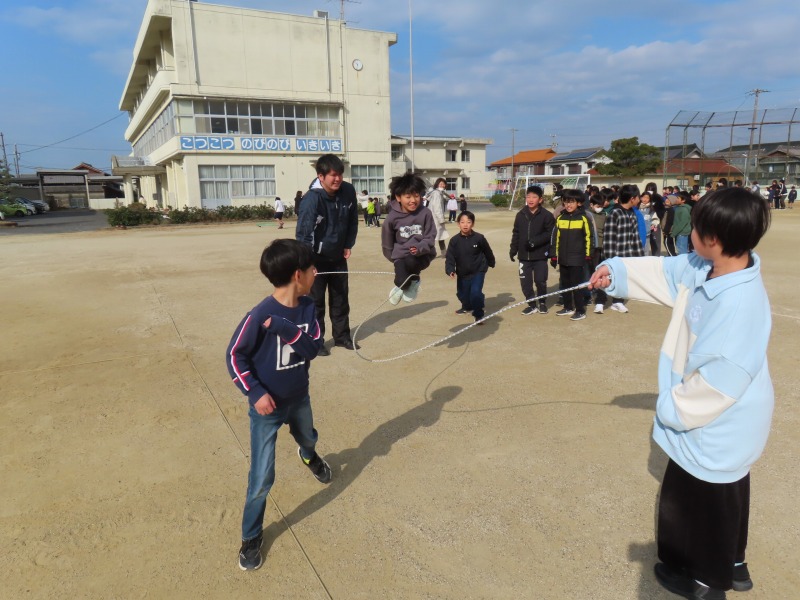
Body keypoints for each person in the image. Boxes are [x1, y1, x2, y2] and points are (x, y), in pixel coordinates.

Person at [589, 187, 773, 599]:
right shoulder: (710, 267)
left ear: (714, 239)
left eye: (696, 229)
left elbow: (718, 384)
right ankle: (733, 563)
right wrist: (616, 272)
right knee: (721, 494)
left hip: (719, 419)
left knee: (707, 502)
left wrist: (671, 408)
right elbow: (667, 272)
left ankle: (708, 582)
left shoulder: (739, 306)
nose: (689, 234)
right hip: (716, 417)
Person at [226, 239, 331, 572]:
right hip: (267, 410)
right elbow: (234, 356)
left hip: (299, 397)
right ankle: (251, 537)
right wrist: (255, 392)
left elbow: (313, 349)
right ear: (298, 275)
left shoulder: (309, 307)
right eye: (312, 268)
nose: (316, 273)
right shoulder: (259, 315)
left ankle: (309, 455)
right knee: (261, 478)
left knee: (308, 437)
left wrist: (286, 328)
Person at [296, 154, 359, 355]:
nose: (337, 179)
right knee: (315, 303)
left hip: (338, 257)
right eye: (333, 175)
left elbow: (352, 219)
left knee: (341, 298)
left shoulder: (348, 191)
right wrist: (307, 264)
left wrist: (348, 243)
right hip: (316, 259)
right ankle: (316, 341)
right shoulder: (311, 199)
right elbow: (303, 234)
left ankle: (342, 336)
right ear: (321, 176)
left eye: (340, 174)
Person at [382, 173, 437, 304]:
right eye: (408, 197)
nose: (413, 200)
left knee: (411, 261)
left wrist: (420, 247)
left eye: (416, 195)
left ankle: (415, 281)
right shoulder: (392, 217)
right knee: (401, 281)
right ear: (398, 197)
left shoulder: (425, 213)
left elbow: (430, 236)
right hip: (400, 256)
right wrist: (394, 258)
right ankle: (402, 286)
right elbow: (387, 242)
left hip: (422, 255)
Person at [510, 185, 556, 315]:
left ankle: (542, 302)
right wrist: (513, 249)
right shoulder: (520, 215)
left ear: (540, 199)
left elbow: (550, 234)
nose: (530, 199)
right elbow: (516, 233)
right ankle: (531, 304)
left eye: (534, 197)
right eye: (528, 196)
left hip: (540, 255)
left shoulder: (547, 215)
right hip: (524, 256)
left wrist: (536, 241)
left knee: (540, 281)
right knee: (525, 283)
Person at [549, 189, 593, 321]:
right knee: (565, 284)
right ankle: (568, 307)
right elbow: (555, 238)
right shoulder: (560, 218)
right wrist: (554, 255)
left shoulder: (583, 218)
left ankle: (580, 310)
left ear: (579, 203)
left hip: (577, 258)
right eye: (566, 202)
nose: (568, 205)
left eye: (572, 202)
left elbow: (589, 237)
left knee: (576, 285)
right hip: (563, 258)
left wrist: (588, 255)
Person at [445, 210, 496, 324]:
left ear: (472, 224)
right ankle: (467, 307)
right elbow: (450, 257)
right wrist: (450, 270)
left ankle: (478, 315)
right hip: (462, 273)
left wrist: (491, 262)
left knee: (475, 292)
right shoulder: (454, 241)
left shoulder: (479, 238)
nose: (465, 225)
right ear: (458, 224)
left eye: (468, 222)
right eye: (462, 222)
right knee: (462, 294)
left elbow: (487, 251)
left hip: (478, 271)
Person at [602, 184, 643, 313]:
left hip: (628, 254)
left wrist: (640, 257)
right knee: (615, 278)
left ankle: (617, 301)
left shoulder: (632, 213)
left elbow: (635, 237)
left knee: (624, 279)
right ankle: (609, 301)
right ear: (632, 198)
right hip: (616, 255)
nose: (639, 200)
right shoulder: (615, 213)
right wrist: (610, 259)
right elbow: (609, 238)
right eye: (638, 197)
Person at [588, 194, 608, 313]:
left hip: (600, 247)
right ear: (591, 205)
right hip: (590, 247)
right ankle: (589, 293)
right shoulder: (587, 215)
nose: (600, 208)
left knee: (598, 271)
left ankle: (599, 293)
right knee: (589, 270)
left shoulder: (605, 215)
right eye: (597, 205)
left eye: (601, 206)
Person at [425, 178, 450, 253]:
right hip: (435, 219)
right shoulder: (437, 193)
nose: (442, 185)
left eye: (443, 184)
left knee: (439, 236)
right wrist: (441, 219)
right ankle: (430, 252)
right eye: (440, 183)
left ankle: (443, 252)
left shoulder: (437, 193)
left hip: (434, 218)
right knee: (436, 236)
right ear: (437, 184)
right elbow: (437, 208)